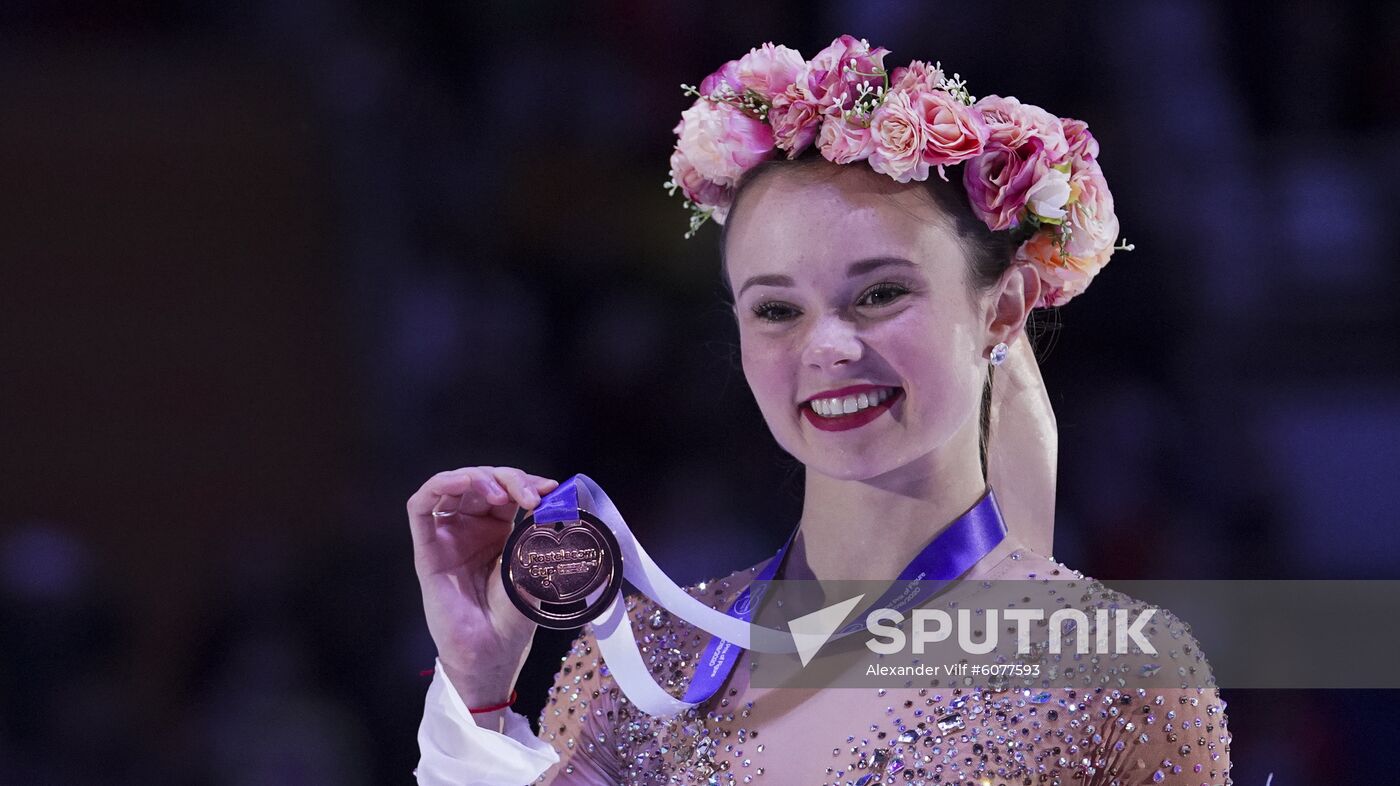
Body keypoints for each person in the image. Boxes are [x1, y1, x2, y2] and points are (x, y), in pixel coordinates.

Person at [407, 36, 1232, 785]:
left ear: (1004, 309)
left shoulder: (1121, 676)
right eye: (776, 309)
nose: (827, 347)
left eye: (879, 294)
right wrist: (480, 692)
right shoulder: (636, 663)